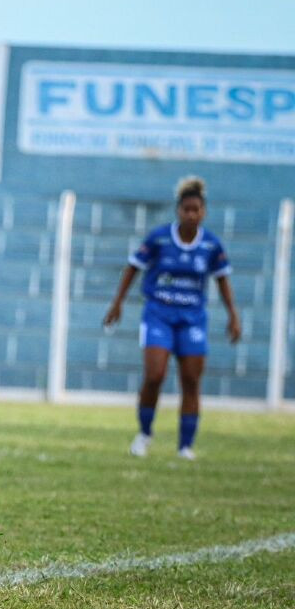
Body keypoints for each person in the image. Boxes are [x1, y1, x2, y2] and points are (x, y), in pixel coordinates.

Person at [104, 176, 240, 460]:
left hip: (192, 319)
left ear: (204, 212)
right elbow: (133, 267)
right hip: (158, 315)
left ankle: (185, 445)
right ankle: (144, 434)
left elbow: (223, 280)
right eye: (186, 209)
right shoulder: (160, 238)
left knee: (191, 380)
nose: (191, 214)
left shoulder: (211, 245)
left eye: (197, 210)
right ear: (178, 211)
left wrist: (233, 315)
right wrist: (117, 303)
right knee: (155, 375)